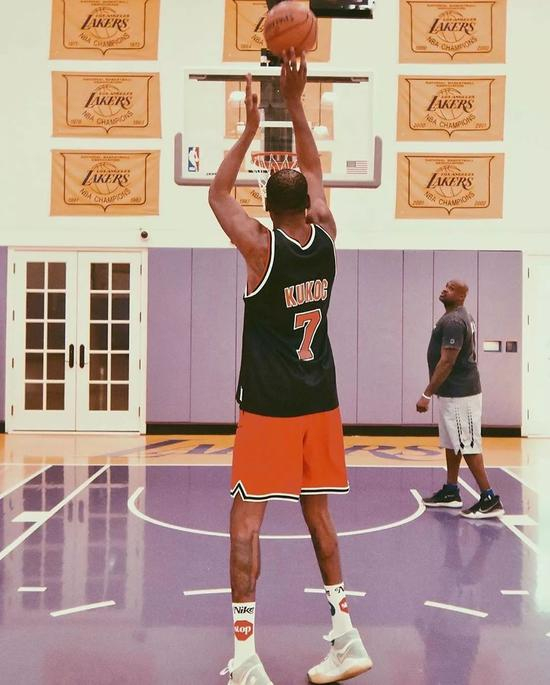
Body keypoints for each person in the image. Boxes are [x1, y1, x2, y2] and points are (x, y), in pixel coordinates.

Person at [209, 51, 372, 685]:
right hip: (320, 402)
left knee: (244, 526)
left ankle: (246, 659)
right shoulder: (326, 232)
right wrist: (297, 102)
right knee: (318, 514)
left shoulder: (259, 247)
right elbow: (314, 166)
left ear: (266, 206)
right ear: (308, 202)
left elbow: (217, 194)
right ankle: (346, 636)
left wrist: (250, 127)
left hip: (269, 408)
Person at [416, 279, 505, 519]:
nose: (445, 289)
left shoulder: (455, 321)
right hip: (451, 393)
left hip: (461, 394)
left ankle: (489, 498)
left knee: (467, 444)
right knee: (453, 442)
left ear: (462, 296)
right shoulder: (455, 316)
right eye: (446, 285)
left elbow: (447, 361)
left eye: (452, 288)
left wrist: (426, 393)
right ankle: (451, 491)